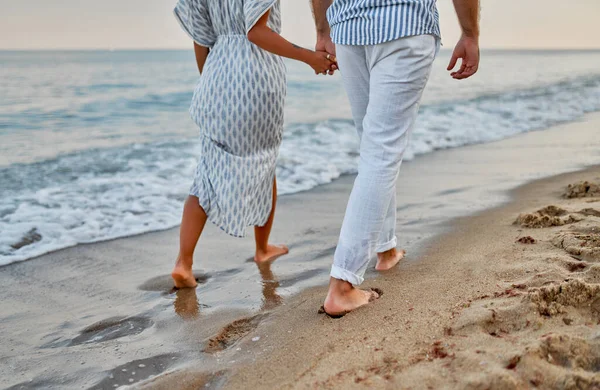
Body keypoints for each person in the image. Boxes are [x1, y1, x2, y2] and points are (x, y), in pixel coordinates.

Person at [311, 0, 480, 316]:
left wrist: (323, 29)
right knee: (381, 152)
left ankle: (386, 250)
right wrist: (469, 33)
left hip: (349, 27)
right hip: (404, 23)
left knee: (373, 149)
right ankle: (342, 284)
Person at [171, 0, 337, 288]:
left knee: (206, 171)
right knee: (265, 161)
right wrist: (310, 57)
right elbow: (256, 32)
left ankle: (183, 263)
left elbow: (201, 40)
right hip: (256, 79)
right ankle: (262, 249)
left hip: (217, 75)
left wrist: (213, 80)